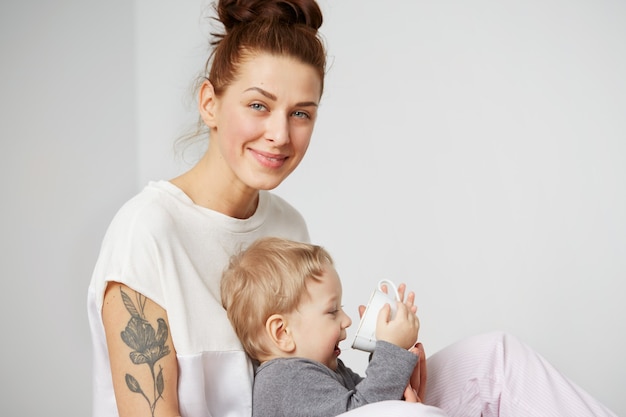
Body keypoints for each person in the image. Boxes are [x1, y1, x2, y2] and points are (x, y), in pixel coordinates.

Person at [87, 0, 619, 416]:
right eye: (258, 105)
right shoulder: (148, 231)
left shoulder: (285, 223)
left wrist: (391, 373)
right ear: (210, 103)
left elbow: (314, 386)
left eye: (301, 113)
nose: (279, 134)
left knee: (494, 361)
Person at [221, 236, 439, 416]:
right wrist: (391, 351)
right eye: (332, 311)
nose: (347, 320)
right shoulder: (285, 379)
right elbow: (365, 411)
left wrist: (384, 346)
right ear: (282, 332)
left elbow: (369, 396)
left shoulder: (323, 368)